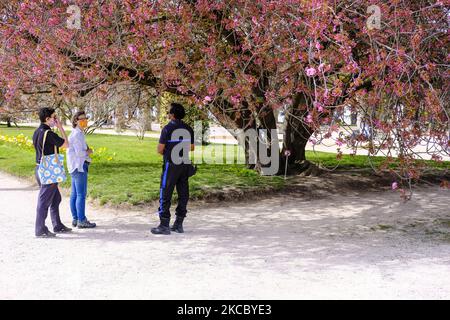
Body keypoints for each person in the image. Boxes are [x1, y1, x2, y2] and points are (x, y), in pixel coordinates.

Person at [151, 103, 195, 235]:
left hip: (171, 164)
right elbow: (192, 147)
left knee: (165, 192)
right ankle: (178, 224)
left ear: (173, 114)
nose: (168, 114)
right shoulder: (188, 128)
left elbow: (159, 149)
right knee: (183, 194)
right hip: (184, 164)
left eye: (169, 112)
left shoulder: (167, 129)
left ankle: (164, 224)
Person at [32, 107, 71, 237]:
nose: (56, 119)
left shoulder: (37, 132)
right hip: (49, 171)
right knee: (44, 201)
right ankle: (40, 229)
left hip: (40, 169)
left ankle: (57, 225)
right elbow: (66, 144)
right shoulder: (49, 134)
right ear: (47, 119)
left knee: (55, 199)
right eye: (54, 117)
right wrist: (60, 127)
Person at [67, 111, 96, 229]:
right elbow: (80, 153)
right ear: (76, 121)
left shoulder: (76, 133)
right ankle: (82, 220)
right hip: (79, 167)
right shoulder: (77, 135)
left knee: (74, 194)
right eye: (82, 119)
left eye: (86, 119)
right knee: (81, 195)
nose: (85, 121)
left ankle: (76, 218)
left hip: (74, 167)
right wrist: (89, 151)